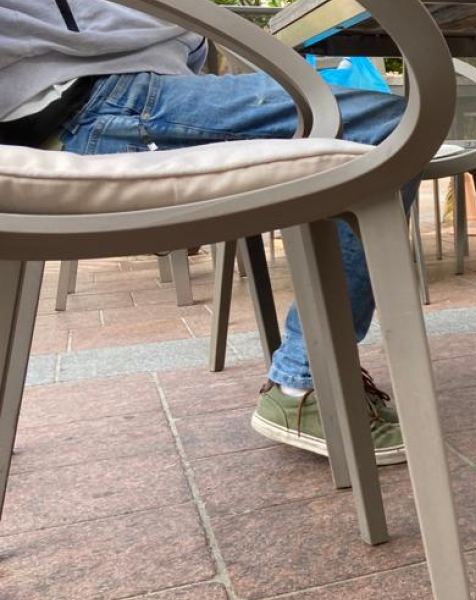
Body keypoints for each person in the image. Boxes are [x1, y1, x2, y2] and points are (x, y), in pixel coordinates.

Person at [0, 0, 408, 463]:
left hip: (123, 96)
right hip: (100, 100)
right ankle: (306, 383)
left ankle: (310, 372)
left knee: (354, 124)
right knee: (389, 127)